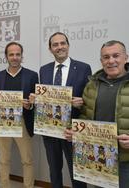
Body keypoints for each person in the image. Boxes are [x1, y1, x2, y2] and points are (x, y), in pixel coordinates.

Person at [65, 40, 129, 188]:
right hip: (99, 159)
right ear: (101, 61)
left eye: (116, 56)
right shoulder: (92, 85)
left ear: (126, 58)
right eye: (106, 57)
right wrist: (75, 131)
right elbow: (84, 116)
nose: (111, 61)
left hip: (125, 160)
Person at [37, 32, 92, 188]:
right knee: (54, 170)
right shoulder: (44, 70)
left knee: (77, 172)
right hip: (50, 129)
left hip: (73, 131)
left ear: (68, 45)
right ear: (50, 49)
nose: (59, 47)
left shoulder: (83, 68)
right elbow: (45, 98)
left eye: (63, 43)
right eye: (55, 44)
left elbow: (91, 98)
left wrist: (82, 102)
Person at [0, 42, 38, 188]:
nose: (15, 57)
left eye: (17, 54)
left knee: (27, 160)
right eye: (11, 54)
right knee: (4, 159)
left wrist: (30, 104)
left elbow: (37, 101)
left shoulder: (32, 75)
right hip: (2, 122)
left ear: (21, 56)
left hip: (23, 122)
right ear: (6, 57)